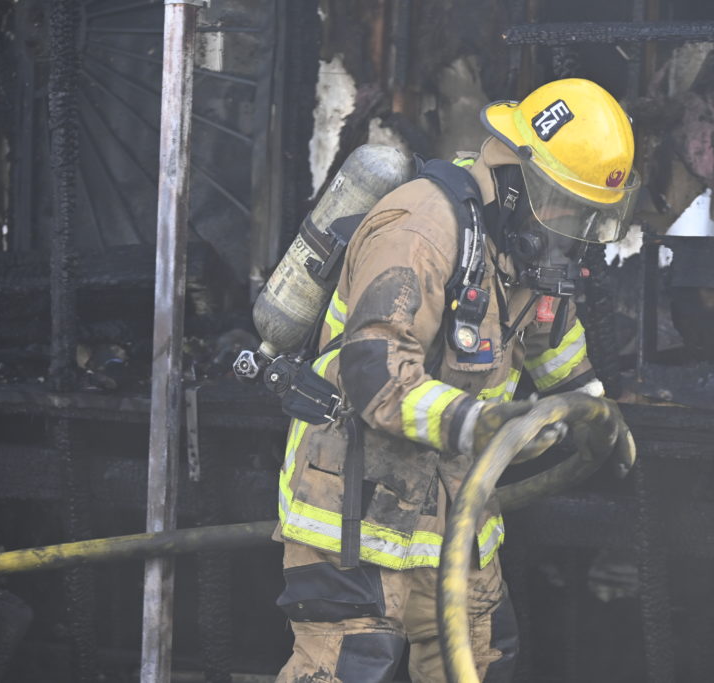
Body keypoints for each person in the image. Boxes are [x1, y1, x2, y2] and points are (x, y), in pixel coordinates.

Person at [274, 78, 639, 683]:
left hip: (457, 526)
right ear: (516, 178)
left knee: (480, 664)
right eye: (564, 204)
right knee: (344, 670)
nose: (573, 225)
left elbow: (550, 335)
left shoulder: (525, 247)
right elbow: (376, 375)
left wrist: (591, 408)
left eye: (586, 213)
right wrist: (484, 424)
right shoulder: (419, 229)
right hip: (355, 524)